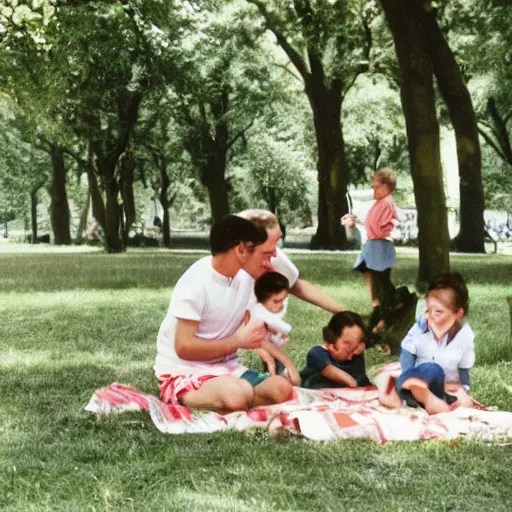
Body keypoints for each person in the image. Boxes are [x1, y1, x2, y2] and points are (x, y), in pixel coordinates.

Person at [154, 215, 294, 414]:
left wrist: (267, 338)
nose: (268, 261)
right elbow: (183, 347)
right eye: (262, 254)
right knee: (237, 395)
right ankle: (184, 396)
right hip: (184, 369)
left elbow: (249, 318)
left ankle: (236, 394)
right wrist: (238, 341)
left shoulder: (246, 276)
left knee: (281, 388)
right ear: (241, 250)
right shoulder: (195, 283)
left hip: (226, 368)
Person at [376, 272, 475, 414]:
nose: (431, 315)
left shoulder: (464, 336)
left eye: (439, 311)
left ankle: (428, 398)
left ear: (458, 313)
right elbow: (407, 351)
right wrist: (408, 373)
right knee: (432, 369)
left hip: (444, 386)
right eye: (428, 310)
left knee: (456, 399)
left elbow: (463, 369)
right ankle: (406, 394)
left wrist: (463, 391)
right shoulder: (422, 327)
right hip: (419, 376)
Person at [341, 168, 411, 334]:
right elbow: (371, 225)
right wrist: (356, 222)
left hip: (380, 247)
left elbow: (381, 228)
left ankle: (387, 313)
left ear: (387, 187)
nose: (374, 190)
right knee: (366, 270)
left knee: (382, 281)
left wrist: (360, 224)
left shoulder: (387, 203)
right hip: (373, 246)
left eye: (376, 187)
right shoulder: (380, 202)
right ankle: (380, 304)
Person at [237, 209, 345, 314]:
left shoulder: (272, 257)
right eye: (269, 249)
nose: (274, 253)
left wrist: (345, 314)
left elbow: (298, 288)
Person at [300, 311, 371, 390]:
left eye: (358, 341)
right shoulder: (317, 354)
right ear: (330, 343)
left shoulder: (356, 355)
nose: (353, 347)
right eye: (347, 343)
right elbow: (350, 381)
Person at [247, 271, 297, 378]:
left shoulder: (267, 312)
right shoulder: (257, 311)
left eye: (283, 300)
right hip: (252, 343)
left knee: (274, 360)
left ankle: (274, 376)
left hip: (267, 343)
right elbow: (280, 326)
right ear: (262, 300)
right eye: (276, 301)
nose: (281, 305)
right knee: (270, 361)